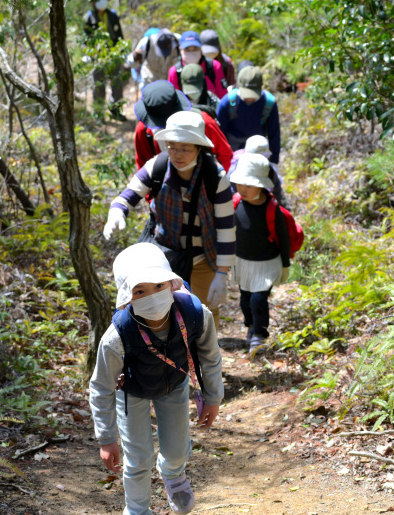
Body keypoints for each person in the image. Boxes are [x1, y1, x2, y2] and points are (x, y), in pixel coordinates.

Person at [89, 242, 224, 515]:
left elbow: (211, 357)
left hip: (174, 385)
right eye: (140, 291)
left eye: (159, 285)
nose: (151, 296)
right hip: (131, 392)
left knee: (176, 449)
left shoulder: (195, 314)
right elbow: (101, 387)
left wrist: (213, 397)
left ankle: (174, 476)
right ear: (127, 297)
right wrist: (107, 439)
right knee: (137, 458)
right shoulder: (117, 335)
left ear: (172, 284)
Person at [104, 111, 235, 328]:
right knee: (163, 315)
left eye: (185, 149)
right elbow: (128, 195)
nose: (177, 154)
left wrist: (222, 273)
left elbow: (226, 228)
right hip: (165, 257)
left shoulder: (215, 177)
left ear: (199, 148)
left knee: (204, 315)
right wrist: (116, 212)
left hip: (203, 257)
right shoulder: (158, 165)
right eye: (172, 146)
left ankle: (205, 359)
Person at [230, 153, 291, 355]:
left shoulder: (273, 210)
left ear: (262, 185)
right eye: (240, 183)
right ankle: (250, 326)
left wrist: (285, 265)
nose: (242, 188)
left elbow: (284, 240)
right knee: (245, 300)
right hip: (244, 263)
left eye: (249, 184)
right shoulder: (236, 203)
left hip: (266, 264)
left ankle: (260, 333)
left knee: (258, 299)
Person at [133, 81, 232, 174]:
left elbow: (225, 155)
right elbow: (143, 165)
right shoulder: (144, 131)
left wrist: (220, 185)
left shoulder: (204, 123)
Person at [217, 66, 281, 163]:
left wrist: (274, 162)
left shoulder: (269, 103)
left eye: (253, 94)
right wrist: (221, 160)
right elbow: (219, 134)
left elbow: (274, 135)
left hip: (259, 148)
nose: (250, 99)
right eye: (246, 94)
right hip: (232, 149)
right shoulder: (228, 102)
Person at [83, 0, 126, 120]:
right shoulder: (88, 18)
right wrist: (89, 54)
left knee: (117, 84)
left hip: (114, 55)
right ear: (92, 1)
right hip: (97, 57)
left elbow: (119, 35)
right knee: (99, 86)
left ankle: (115, 111)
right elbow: (85, 38)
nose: (102, 0)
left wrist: (122, 51)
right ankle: (99, 114)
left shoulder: (112, 15)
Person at [228, 135, 289, 209]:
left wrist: (284, 210)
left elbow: (277, 190)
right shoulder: (236, 168)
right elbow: (230, 190)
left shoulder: (269, 169)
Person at [167, 30, 228, 101]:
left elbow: (223, 96)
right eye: (187, 49)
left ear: (201, 48)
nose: (191, 52)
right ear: (180, 49)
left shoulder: (214, 66)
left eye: (195, 48)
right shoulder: (174, 72)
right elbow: (174, 100)